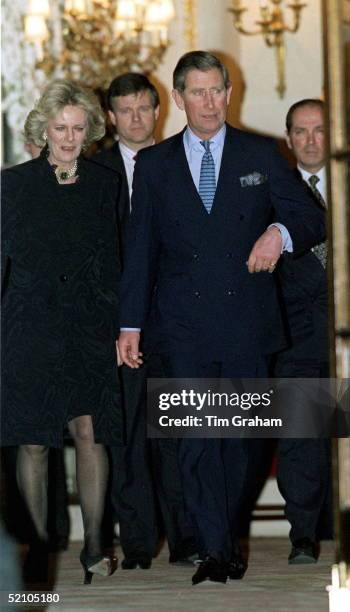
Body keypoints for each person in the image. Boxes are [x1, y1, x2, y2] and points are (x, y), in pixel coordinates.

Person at [118, 51, 326, 585]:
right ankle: (216, 547)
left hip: (247, 322)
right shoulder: (156, 164)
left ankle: (223, 533)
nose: (209, 103)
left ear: (229, 94)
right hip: (180, 324)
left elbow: (308, 216)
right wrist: (130, 325)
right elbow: (140, 249)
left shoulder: (262, 153)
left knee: (238, 440)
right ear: (181, 97)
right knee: (194, 439)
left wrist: (277, 235)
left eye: (218, 92)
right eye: (198, 93)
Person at [1, 79, 122, 585]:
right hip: (28, 326)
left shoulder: (105, 183)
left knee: (90, 431)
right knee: (32, 441)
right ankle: (38, 548)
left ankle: (95, 543)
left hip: (90, 327)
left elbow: (116, 261)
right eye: (59, 128)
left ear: (89, 130)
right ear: (43, 129)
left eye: (78, 128)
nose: (69, 137)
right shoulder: (13, 184)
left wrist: (122, 326)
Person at [94, 73, 196, 569]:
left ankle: (186, 539)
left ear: (159, 110)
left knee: (178, 432)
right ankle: (137, 546)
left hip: (178, 321)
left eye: (143, 108)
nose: (135, 118)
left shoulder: (187, 160)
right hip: (119, 329)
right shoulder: (96, 172)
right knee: (129, 437)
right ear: (111, 117)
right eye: (124, 110)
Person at [275, 98, 333, 564]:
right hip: (293, 333)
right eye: (301, 131)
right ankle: (303, 536)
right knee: (299, 438)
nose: (311, 140)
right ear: (289, 138)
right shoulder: (274, 189)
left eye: (319, 130)